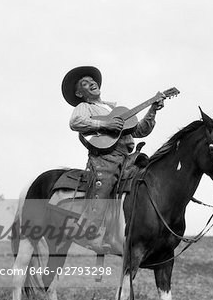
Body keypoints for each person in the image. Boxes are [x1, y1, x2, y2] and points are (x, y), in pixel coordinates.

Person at [61, 66, 165, 251]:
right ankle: (90, 232)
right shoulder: (84, 107)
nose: (91, 83)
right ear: (79, 93)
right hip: (105, 158)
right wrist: (104, 123)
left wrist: (153, 110)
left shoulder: (113, 108)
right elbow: (75, 123)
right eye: (84, 83)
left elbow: (140, 130)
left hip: (127, 156)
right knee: (106, 182)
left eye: (91, 80)